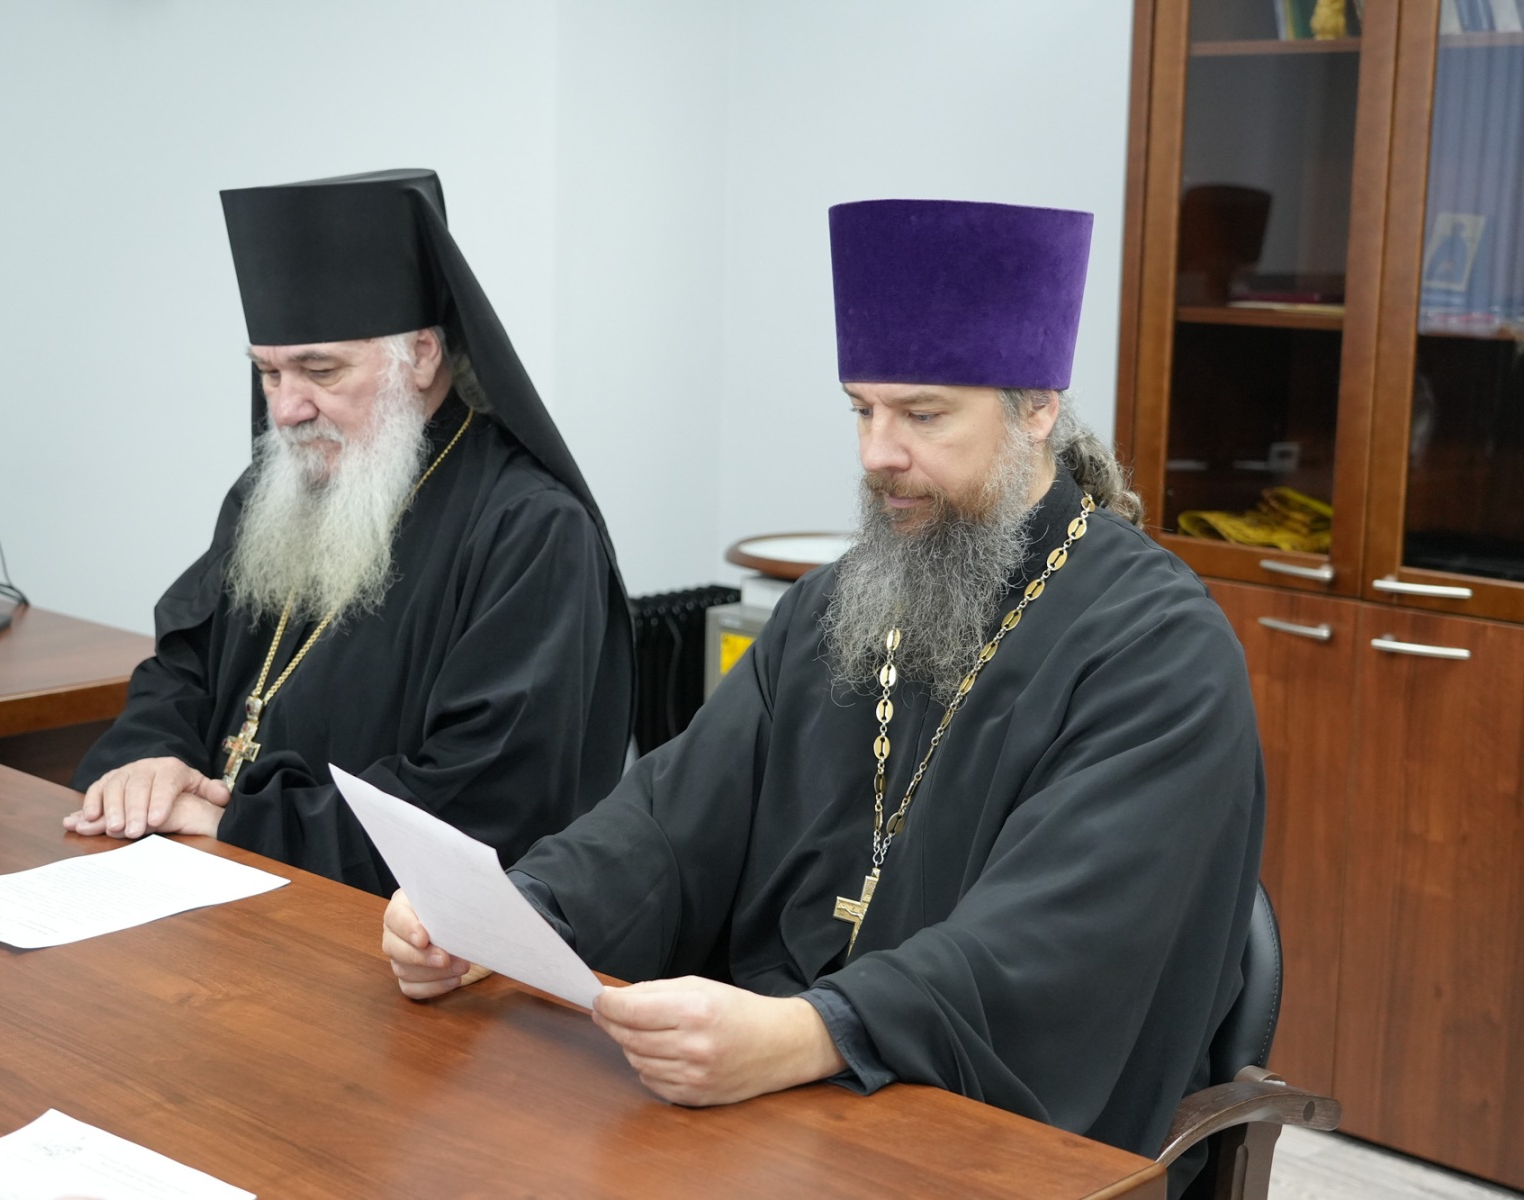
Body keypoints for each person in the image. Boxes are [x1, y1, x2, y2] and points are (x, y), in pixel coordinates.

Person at [383, 198, 1264, 1187]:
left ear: (1037, 410)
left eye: (922, 414)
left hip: (980, 1142)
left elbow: (1060, 947)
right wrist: (516, 915)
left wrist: (816, 1030)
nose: (877, 452)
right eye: (861, 410)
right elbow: (671, 818)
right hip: (773, 1110)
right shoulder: (838, 604)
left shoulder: (1159, 651)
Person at [66, 169, 635, 893]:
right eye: (269, 374)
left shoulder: (532, 531)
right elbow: (185, 667)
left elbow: (487, 797)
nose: (287, 410)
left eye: (320, 370)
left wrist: (238, 824)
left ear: (422, 355)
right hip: (216, 884)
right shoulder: (276, 489)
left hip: (391, 931)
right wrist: (152, 762)